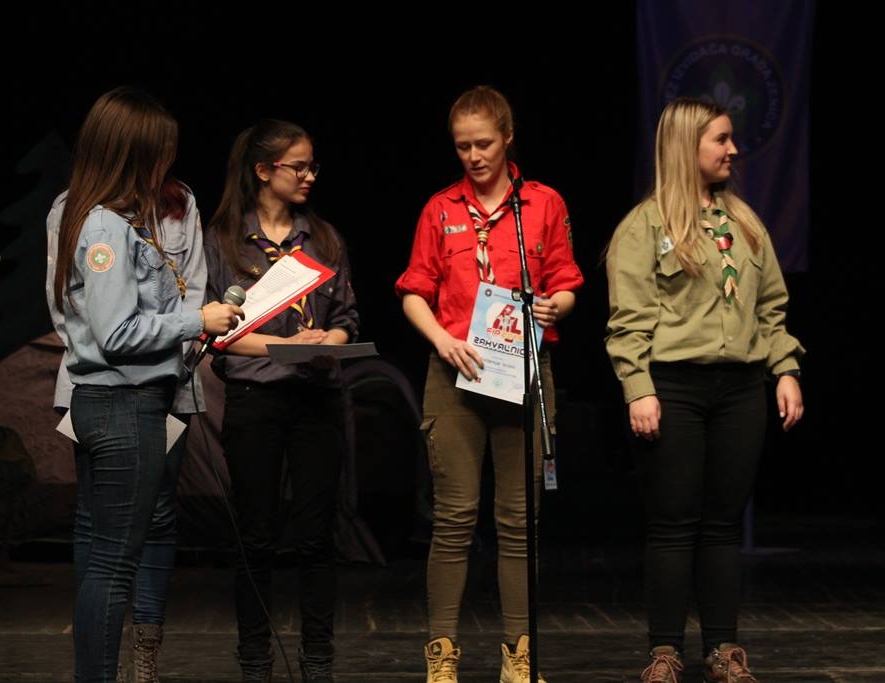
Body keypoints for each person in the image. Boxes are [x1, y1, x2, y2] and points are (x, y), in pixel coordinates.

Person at [604, 97, 805, 683]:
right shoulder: (644, 227)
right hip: (674, 387)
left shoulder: (745, 223)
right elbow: (628, 320)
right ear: (685, 146)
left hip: (740, 388)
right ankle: (665, 650)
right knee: (673, 524)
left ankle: (723, 649)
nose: (732, 149)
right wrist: (638, 388)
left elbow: (771, 306)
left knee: (722, 524)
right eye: (720, 139)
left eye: (731, 138)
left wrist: (785, 369)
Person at [50, 87, 242, 683]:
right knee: (111, 564)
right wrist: (197, 319)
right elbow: (116, 333)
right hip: (122, 403)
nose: (168, 162)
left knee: (109, 560)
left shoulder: (117, 220)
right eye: (160, 151)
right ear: (133, 154)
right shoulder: (105, 227)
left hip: (122, 401)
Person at [395, 86, 584, 683]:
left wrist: (556, 306)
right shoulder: (440, 209)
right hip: (456, 372)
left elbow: (565, 280)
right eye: (462, 147)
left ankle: (518, 657)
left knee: (519, 522)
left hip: (521, 370)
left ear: (507, 138)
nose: (473, 156)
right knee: (454, 517)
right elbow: (413, 291)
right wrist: (441, 339)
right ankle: (442, 654)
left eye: (483, 144)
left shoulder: (542, 204)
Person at [204, 119, 359, 683]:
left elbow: (347, 319)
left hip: (317, 398)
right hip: (255, 398)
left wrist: (327, 341)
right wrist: (284, 346)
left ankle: (318, 660)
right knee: (256, 536)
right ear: (264, 171)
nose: (310, 175)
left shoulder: (324, 238)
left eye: (313, 165)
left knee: (317, 536)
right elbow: (217, 334)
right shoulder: (224, 240)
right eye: (299, 166)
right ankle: (255, 660)